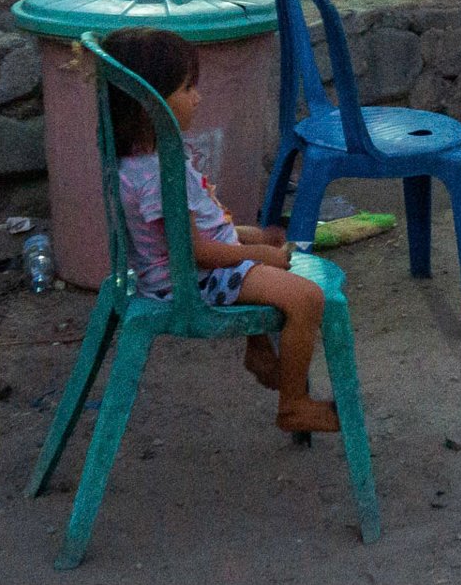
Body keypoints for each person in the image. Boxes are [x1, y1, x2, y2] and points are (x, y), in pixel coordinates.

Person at [101, 27, 341, 435]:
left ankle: (259, 348)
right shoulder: (156, 176)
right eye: (187, 88)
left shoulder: (152, 158)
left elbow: (203, 225)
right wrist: (258, 254)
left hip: (193, 270)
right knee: (307, 298)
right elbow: (197, 252)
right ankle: (293, 405)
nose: (198, 97)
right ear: (148, 105)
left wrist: (248, 235)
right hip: (188, 284)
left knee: (278, 271)